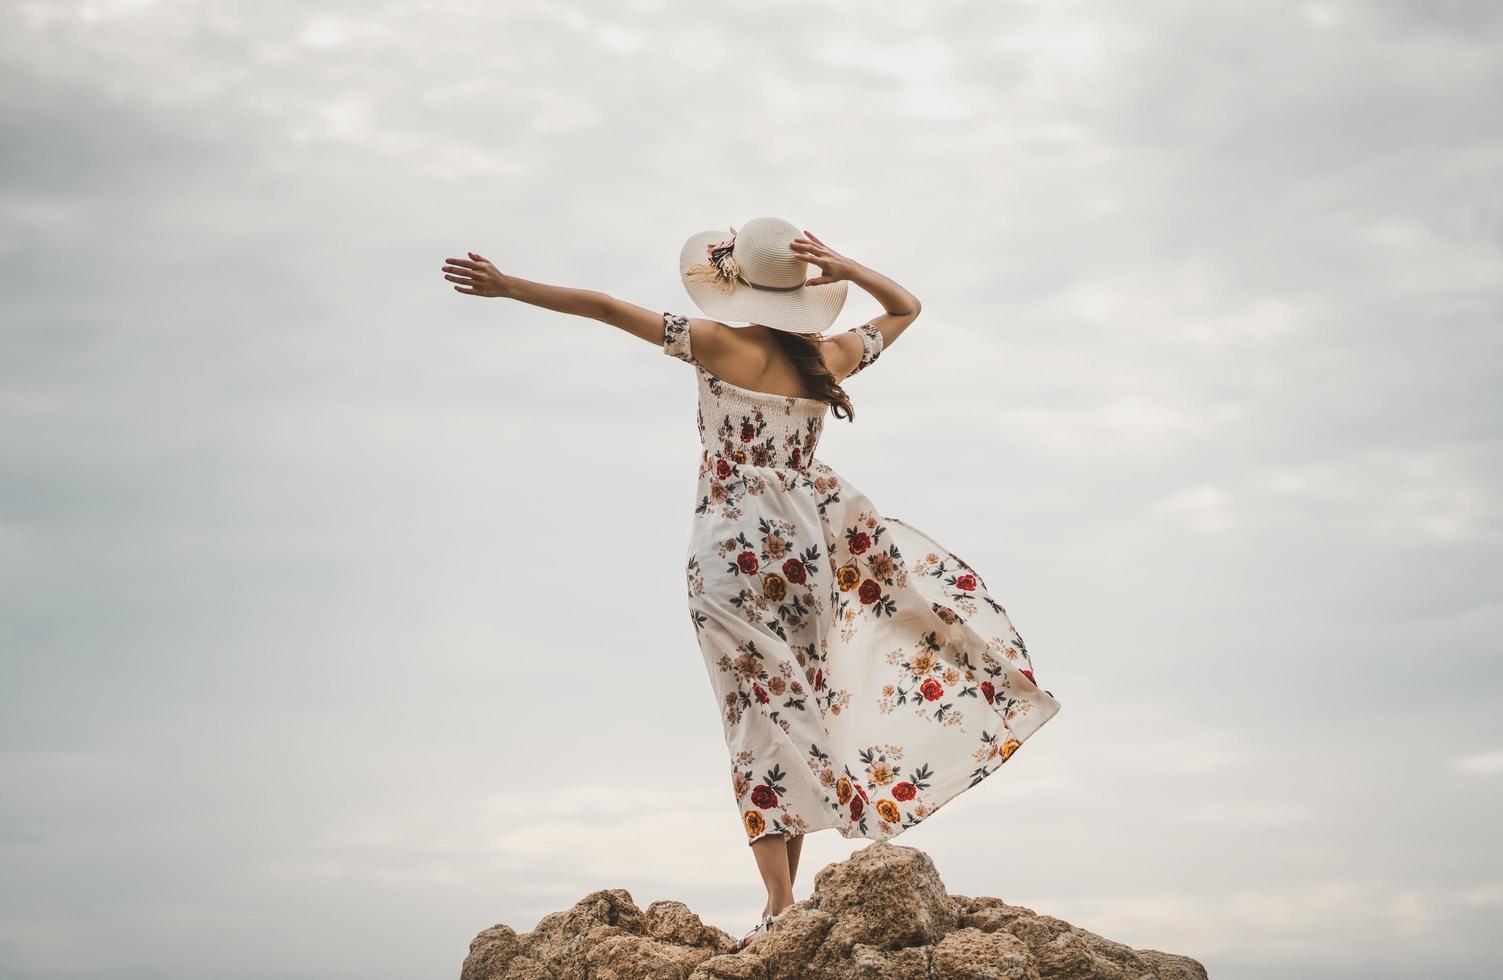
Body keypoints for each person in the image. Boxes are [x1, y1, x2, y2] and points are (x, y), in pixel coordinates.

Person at [439, 216, 1061, 952]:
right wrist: (846, 266)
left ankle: (777, 902)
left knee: (754, 717)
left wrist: (510, 287)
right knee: (793, 711)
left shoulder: (713, 341)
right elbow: (905, 309)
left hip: (732, 552)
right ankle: (781, 899)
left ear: (736, 285)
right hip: (804, 557)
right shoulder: (825, 359)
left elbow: (605, 307)